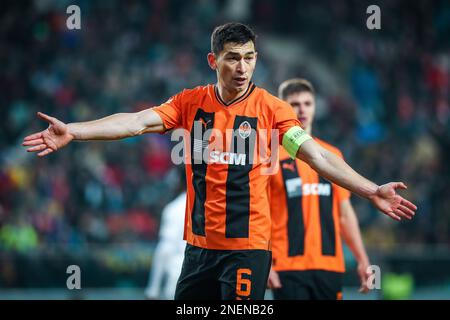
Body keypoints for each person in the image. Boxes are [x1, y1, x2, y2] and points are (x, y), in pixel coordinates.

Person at [22, 22, 416, 300]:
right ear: (213, 60)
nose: (242, 68)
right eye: (232, 58)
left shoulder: (273, 110)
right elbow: (136, 122)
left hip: (247, 248)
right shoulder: (190, 103)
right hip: (198, 251)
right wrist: (74, 130)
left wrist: (370, 190)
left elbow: (315, 154)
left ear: (257, 59)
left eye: (248, 58)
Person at [267, 78, 371, 300]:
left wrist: (362, 258)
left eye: (307, 103)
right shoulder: (269, 156)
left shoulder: (333, 155)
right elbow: (258, 216)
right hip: (287, 266)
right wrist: (265, 263)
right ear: (282, 108)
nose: (302, 110)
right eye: (294, 104)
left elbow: (344, 213)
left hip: (330, 265)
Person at [144, 168, 186, 300]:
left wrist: (153, 289)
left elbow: (165, 249)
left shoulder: (174, 209)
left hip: (179, 279)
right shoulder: (209, 205)